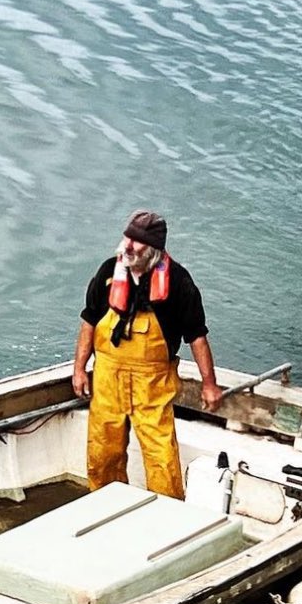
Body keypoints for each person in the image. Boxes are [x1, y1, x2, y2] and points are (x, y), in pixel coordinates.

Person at [71, 210, 223, 499]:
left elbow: (197, 336)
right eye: (127, 237)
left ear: (153, 249)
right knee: (103, 452)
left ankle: (167, 516)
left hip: (152, 384)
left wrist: (209, 384)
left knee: (161, 458)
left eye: (137, 241)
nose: (128, 245)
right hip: (107, 379)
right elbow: (89, 321)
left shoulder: (179, 283)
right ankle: (106, 506)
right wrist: (79, 369)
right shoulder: (107, 272)